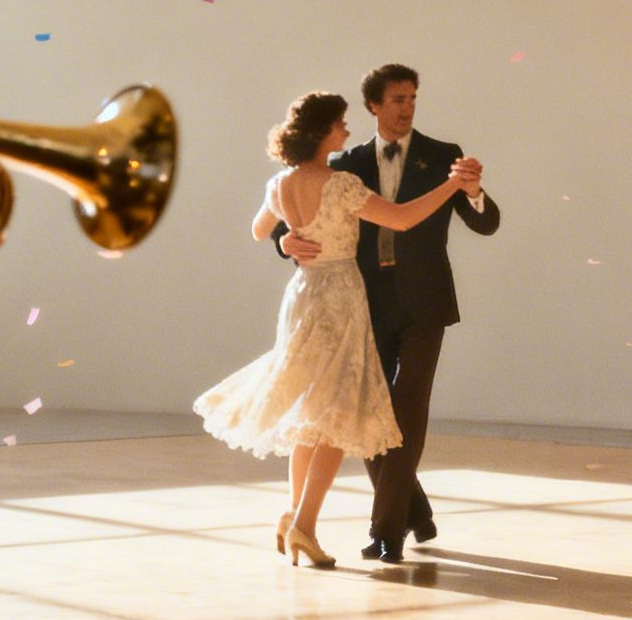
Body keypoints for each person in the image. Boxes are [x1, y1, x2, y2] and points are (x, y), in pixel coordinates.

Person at [196, 92, 479, 567]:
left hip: (303, 294)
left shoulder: (280, 183)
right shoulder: (340, 184)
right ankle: (304, 526)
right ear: (321, 132)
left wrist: (287, 239)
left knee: (312, 410)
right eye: (340, 125)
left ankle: (292, 517)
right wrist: (452, 187)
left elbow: (257, 229)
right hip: (339, 296)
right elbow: (403, 218)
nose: (346, 132)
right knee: (332, 415)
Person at [281, 64, 500, 563]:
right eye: (397, 99)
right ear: (373, 107)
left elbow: (486, 222)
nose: (407, 108)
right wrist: (285, 242)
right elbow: (294, 216)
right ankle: (414, 509)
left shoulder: (444, 156)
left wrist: (470, 190)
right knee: (368, 414)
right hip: (363, 303)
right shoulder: (345, 164)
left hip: (426, 303)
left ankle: (387, 531)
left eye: (413, 98)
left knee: (407, 412)